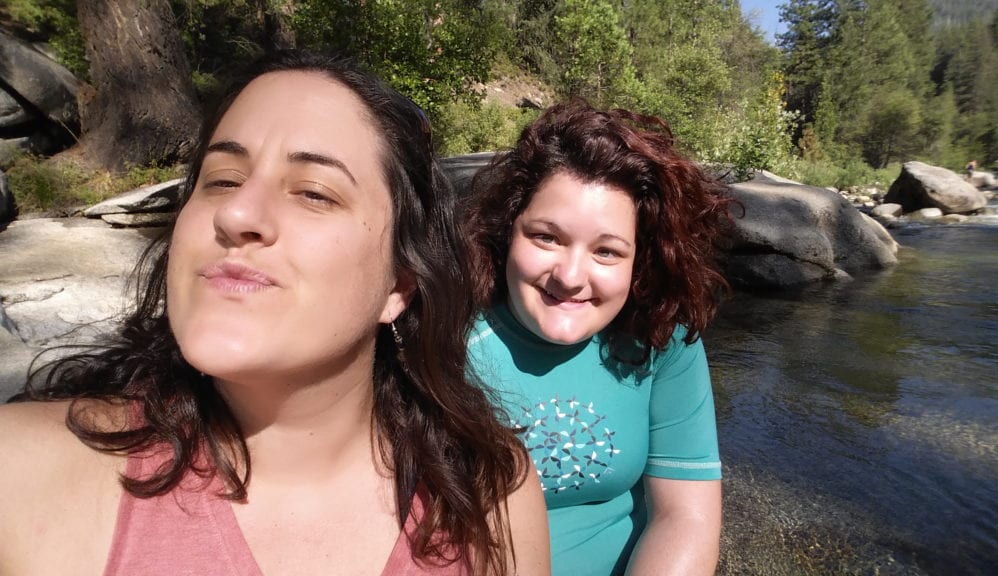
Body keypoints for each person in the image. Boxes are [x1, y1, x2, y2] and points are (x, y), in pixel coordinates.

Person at [0, 51, 549, 576]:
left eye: (313, 192)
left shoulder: (490, 492)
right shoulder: (19, 476)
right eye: (220, 180)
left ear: (400, 282)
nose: (236, 213)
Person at [463, 99, 732, 575]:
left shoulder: (661, 341)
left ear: (640, 261)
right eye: (546, 237)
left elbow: (684, 516)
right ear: (507, 232)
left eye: (606, 251)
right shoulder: (444, 333)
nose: (569, 276)